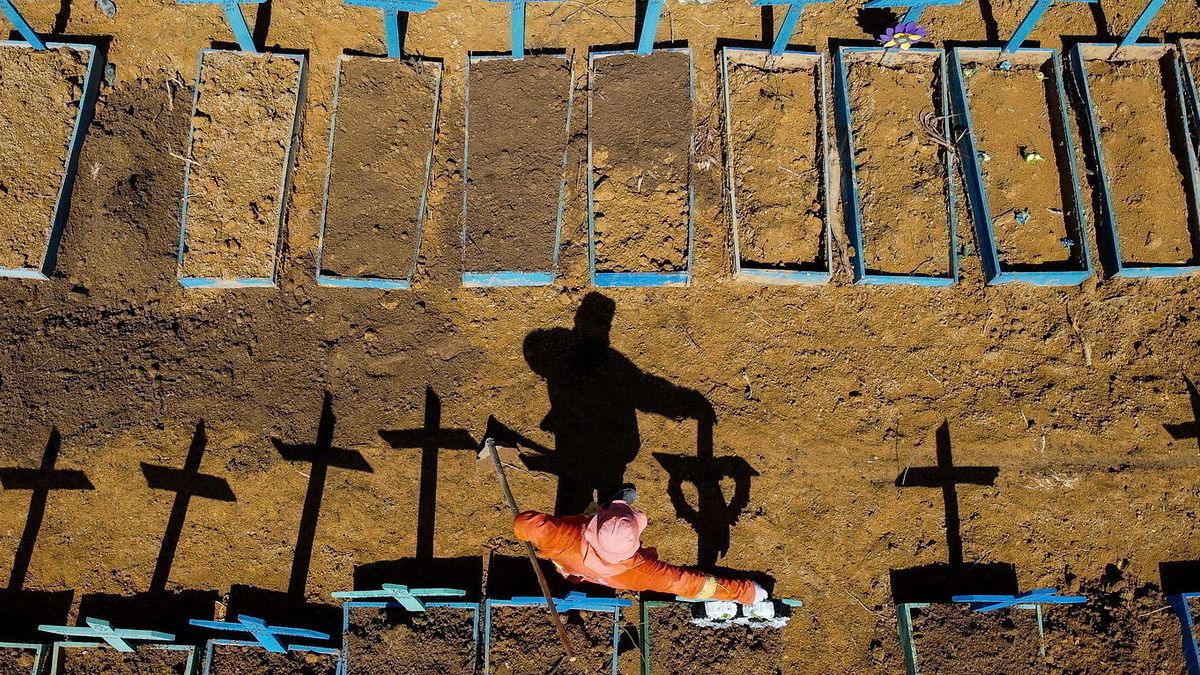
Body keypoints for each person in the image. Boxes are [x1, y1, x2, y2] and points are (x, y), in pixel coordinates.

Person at [513, 497, 767, 605]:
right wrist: (746, 592)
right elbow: (693, 584)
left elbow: (525, 523)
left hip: (572, 569)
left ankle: (604, 505)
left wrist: (525, 533)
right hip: (611, 578)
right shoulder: (643, 572)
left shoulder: (564, 537)